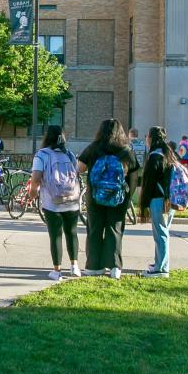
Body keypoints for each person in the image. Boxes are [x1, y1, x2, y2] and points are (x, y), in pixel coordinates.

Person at [78, 118, 141, 279]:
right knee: (115, 229)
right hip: (118, 198)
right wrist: (127, 197)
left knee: (94, 229)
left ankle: (93, 266)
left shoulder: (93, 148)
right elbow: (134, 177)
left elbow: (80, 168)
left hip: (95, 196)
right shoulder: (126, 151)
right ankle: (114, 267)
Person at [29, 125, 81, 281]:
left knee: (55, 235)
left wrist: (32, 193)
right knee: (72, 233)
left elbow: (36, 178)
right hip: (72, 200)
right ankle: (75, 266)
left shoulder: (42, 155)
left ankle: (57, 271)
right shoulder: (70, 154)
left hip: (52, 201)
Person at [139, 126, 178, 278]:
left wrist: (144, 201)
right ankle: (160, 263)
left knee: (160, 233)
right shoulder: (168, 154)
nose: (146, 139)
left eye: (147, 136)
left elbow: (149, 182)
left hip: (158, 198)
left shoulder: (155, 156)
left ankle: (162, 268)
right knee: (163, 231)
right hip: (169, 199)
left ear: (151, 138)